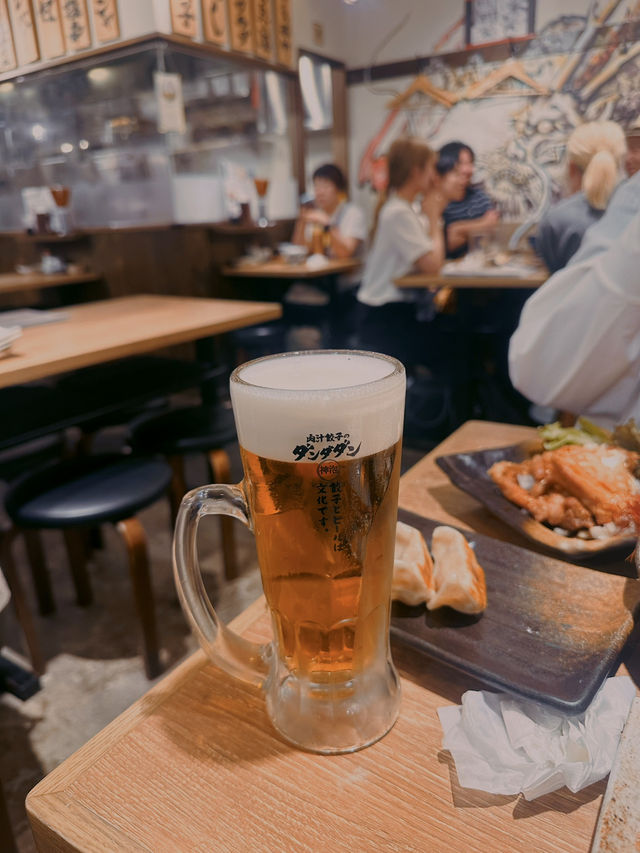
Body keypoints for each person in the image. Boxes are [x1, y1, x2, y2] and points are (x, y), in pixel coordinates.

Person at [509, 169, 640, 429]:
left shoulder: (558, 216)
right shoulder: (629, 200)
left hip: (582, 393)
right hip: (612, 437)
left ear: (571, 170)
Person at [356, 137, 447, 368]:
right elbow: (433, 266)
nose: (434, 176)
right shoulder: (398, 212)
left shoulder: (405, 209)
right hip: (385, 317)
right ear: (416, 171)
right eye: (431, 168)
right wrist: (435, 217)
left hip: (393, 313)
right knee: (458, 349)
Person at [534, 120, 626, 274]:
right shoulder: (632, 212)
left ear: (570, 168)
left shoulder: (556, 221)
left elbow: (555, 276)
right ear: (620, 164)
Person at [438, 141, 499, 259]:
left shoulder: (479, 196)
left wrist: (459, 229)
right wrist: (482, 225)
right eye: (460, 164)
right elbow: (449, 242)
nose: (467, 169)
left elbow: (491, 229)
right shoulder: (439, 201)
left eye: (470, 163)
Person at [292, 163, 366, 259]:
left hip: (350, 273)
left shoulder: (353, 213)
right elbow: (301, 250)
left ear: (339, 189)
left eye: (326, 186)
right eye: (316, 186)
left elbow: (345, 254)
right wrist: (302, 221)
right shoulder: (316, 214)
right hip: (323, 272)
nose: (320, 192)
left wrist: (327, 224)